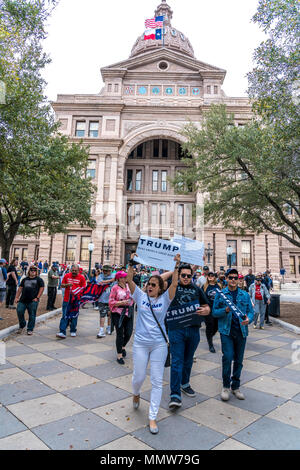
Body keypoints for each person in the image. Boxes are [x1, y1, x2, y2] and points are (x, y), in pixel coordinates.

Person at [126, 253, 180, 435]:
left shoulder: (165, 299)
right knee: (139, 376)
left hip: (159, 345)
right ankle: (136, 392)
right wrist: (131, 263)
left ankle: (152, 416)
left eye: (153, 285)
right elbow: (129, 279)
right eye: (148, 284)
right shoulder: (140, 296)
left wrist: (177, 266)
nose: (149, 286)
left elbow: (174, 284)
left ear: (160, 288)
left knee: (157, 381)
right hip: (141, 343)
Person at [167, 263, 210, 409]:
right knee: (177, 361)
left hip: (193, 329)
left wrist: (206, 311)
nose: (186, 278)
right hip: (176, 330)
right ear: (178, 275)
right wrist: (174, 267)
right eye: (183, 275)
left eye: (188, 275)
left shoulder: (196, 289)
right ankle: (174, 395)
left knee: (188, 360)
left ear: (192, 276)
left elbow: (206, 305)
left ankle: (185, 384)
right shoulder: (172, 287)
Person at [212, 268, 254, 401]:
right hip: (226, 331)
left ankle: (235, 387)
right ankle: (225, 386)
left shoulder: (244, 295)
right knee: (228, 358)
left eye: (236, 278)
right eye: (231, 277)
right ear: (227, 279)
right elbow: (214, 312)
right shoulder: (221, 294)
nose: (233, 280)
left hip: (242, 332)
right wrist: (225, 309)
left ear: (239, 279)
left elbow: (251, 311)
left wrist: (249, 319)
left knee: (239, 361)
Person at [109, 271, 134, 364]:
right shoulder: (115, 288)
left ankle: (123, 345)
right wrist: (121, 303)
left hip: (128, 312)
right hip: (117, 313)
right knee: (120, 333)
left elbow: (135, 295)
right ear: (119, 278)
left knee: (129, 332)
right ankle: (119, 355)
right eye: (124, 277)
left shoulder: (129, 286)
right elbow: (111, 301)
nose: (126, 278)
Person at [56, 264, 86, 339]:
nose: (74, 272)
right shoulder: (67, 276)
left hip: (76, 300)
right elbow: (62, 285)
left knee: (74, 315)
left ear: (78, 271)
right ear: (70, 270)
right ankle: (62, 331)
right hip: (67, 299)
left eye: (76, 271)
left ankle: (73, 330)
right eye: (73, 270)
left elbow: (84, 288)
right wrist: (67, 285)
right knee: (64, 315)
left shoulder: (82, 277)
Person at [15, 265, 45, 335]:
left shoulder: (39, 280)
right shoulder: (25, 279)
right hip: (23, 300)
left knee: (32, 315)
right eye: (32, 270)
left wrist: (37, 297)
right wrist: (16, 297)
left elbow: (42, 288)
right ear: (29, 271)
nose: (33, 272)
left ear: (36, 272)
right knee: (19, 311)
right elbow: (20, 288)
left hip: (33, 300)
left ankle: (30, 329)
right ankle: (22, 325)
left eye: (34, 270)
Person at [202, 272, 221, 353]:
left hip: (216, 309)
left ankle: (209, 336)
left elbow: (222, 296)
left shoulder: (219, 286)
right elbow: (202, 297)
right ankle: (210, 344)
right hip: (208, 310)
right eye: (209, 276)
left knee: (216, 327)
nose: (210, 277)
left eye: (212, 276)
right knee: (209, 326)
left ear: (215, 277)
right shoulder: (205, 286)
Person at [96, 265, 115, 338]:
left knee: (110, 315)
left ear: (110, 271)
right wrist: (111, 280)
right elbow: (100, 282)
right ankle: (101, 330)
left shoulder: (114, 275)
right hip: (102, 299)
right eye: (104, 270)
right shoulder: (100, 276)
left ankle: (109, 328)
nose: (105, 272)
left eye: (107, 271)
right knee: (102, 314)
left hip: (111, 300)